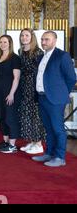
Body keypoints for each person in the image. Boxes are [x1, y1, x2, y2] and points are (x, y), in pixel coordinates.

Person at [32, 31, 76, 167]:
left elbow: (71, 78)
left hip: (55, 100)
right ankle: (49, 153)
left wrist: (62, 93)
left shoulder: (62, 56)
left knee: (57, 129)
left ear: (55, 40)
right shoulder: (40, 57)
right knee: (48, 128)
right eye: (42, 39)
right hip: (42, 97)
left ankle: (60, 157)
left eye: (47, 39)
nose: (43, 42)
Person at [18, 28, 46, 154]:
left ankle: (39, 144)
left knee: (35, 114)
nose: (24, 37)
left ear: (32, 37)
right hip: (23, 85)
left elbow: (41, 71)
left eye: (27, 35)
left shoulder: (37, 52)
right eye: (22, 35)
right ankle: (32, 141)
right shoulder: (20, 51)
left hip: (33, 85)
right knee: (27, 113)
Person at [0, 35, 21, 154]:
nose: (2, 44)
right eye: (1, 42)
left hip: (9, 92)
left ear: (10, 43)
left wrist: (11, 94)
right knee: (1, 116)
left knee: (10, 117)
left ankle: (12, 145)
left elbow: (16, 78)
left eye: (5, 42)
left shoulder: (14, 58)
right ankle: (5, 141)